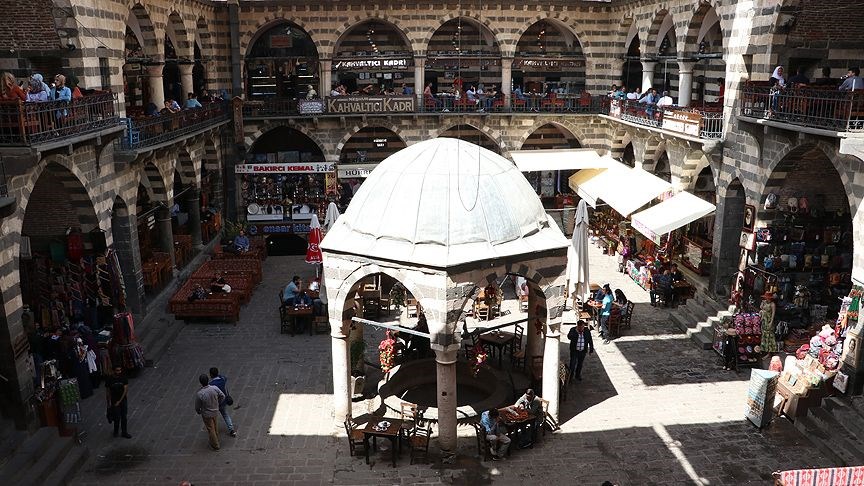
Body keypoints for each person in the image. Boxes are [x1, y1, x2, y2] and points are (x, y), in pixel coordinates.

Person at [194, 373, 225, 451]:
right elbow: (222, 396)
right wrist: (218, 403)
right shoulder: (214, 388)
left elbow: (197, 406)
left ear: (201, 382)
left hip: (207, 414)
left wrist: (199, 411)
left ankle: (215, 445)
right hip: (215, 410)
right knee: (215, 425)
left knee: (211, 428)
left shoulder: (200, 394)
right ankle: (216, 438)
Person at [208, 367, 236, 437]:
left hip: (216, 403)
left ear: (211, 375)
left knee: (213, 417)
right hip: (224, 401)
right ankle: (231, 429)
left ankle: (214, 431)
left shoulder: (211, 384)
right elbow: (224, 377)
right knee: (225, 415)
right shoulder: (222, 379)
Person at [105, 365, 131, 438]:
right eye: (117, 370)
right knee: (116, 417)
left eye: (120, 370)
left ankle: (124, 432)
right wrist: (108, 403)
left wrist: (119, 401)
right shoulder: (109, 379)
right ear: (113, 371)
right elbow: (107, 392)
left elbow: (125, 390)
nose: (119, 372)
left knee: (124, 417)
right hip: (114, 400)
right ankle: (116, 431)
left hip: (122, 400)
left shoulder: (123, 378)